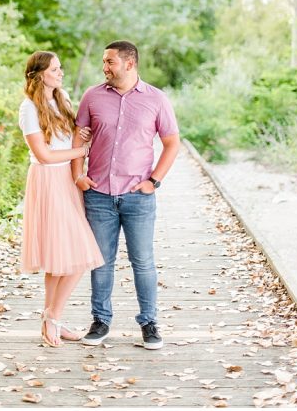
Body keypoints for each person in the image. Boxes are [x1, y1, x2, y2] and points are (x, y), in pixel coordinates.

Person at [72, 41, 180, 350]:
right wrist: (78, 176)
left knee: (143, 261)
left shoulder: (156, 99)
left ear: (129, 64)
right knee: (101, 262)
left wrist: (154, 181)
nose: (104, 67)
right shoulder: (92, 97)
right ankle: (100, 320)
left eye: (110, 62)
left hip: (138, 197)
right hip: (99, 195)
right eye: (104, 62)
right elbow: (78, 139)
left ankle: (149, 323)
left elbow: (172, 143)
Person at [19, 51, 104, 348]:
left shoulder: (62, 98)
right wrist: (80, 153)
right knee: (79, 256)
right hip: (47, 179)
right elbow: (43, 154)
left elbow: (65, 137)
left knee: (60, 258)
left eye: (60, 68)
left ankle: (51, 318)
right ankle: (52, 318)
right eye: (55, 69)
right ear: (40, 74)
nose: (61, 72)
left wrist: (80, 134)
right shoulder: (28, 108)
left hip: (67, 181)